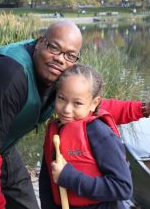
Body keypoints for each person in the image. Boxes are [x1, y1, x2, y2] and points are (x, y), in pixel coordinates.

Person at [0, 20, 150, 209]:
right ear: (39, 41)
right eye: (54, 47)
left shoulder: (59, 73)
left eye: (70, 55)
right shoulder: (6, 79)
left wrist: (144, 109)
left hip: (2, 147)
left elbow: (87, 105)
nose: (60, 59)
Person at [40, 64, 133, 209]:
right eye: (62, 98)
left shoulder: (101, 135)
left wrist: (68, 177)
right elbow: (46, 182)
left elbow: (123, 188)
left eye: (77, 103)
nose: (66, 109)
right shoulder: (54, 130)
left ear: (94, 103)